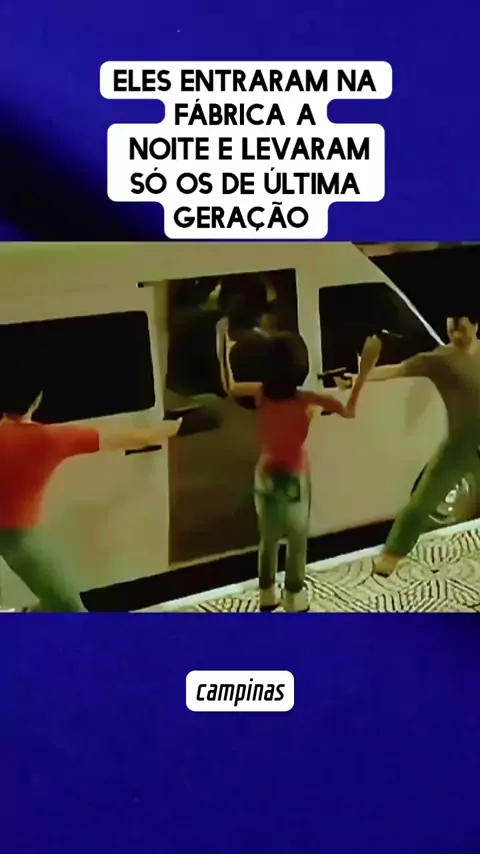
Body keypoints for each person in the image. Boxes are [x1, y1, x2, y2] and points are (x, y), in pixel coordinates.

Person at [226, 331, 381, 612]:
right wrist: (364, 371)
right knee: (297, 540)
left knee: (268, 539)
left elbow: (230, 386)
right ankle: (294, 595)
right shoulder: (306, 398)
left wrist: (222, 348)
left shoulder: (260, 393)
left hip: (265, 473)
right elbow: (349, 411)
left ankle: (266, 594)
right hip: (294, 474)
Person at [0, 384, 182, 612]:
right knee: (70, 607)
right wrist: (176, 427)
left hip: (15, 540)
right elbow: (136, 438)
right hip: (19, 541)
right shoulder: (47, 439)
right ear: (37, 401)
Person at [358, 315, 480, 577]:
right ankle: (391, 555)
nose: (456, 336)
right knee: (424, 498)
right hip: (462, 441)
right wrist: (362, 376)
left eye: (462, 329)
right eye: (451, 330)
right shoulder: (441, 358)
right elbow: (399, 370)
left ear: (476, 325)